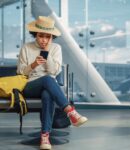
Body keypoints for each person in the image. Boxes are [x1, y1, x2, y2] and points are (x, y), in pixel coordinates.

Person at [17, 16, 88, 150]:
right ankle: (70, 112)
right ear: (35, 35)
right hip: (29, 85)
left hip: (48, 86)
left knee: (47, 94)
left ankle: (45, 136)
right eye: (41, 36)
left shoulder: (56, 48)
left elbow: (54, 71)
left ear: (51, 37)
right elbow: (21, 73)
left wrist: (47, 53)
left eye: (48, 37)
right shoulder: (26, 48)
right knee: (47, 79)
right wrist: (33, 64)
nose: (44, 40)